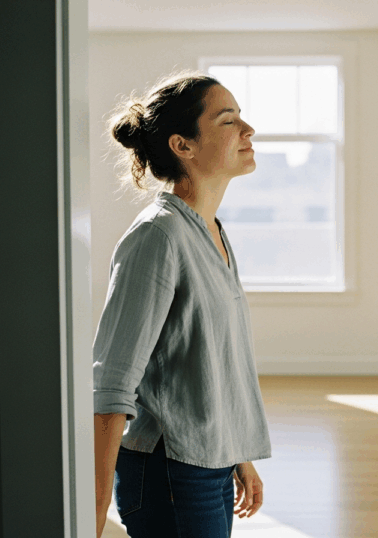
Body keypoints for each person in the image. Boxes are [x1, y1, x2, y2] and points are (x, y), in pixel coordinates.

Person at [93, 70, 271, 538]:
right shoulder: (158, 236)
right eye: (228, 120)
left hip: (207, 462)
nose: (248, 130)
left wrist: (238, 455)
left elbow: (208, 364)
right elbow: (112, 383)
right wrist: (93, 510)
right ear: (183, 146)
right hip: (171, 471)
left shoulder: (212, 231)